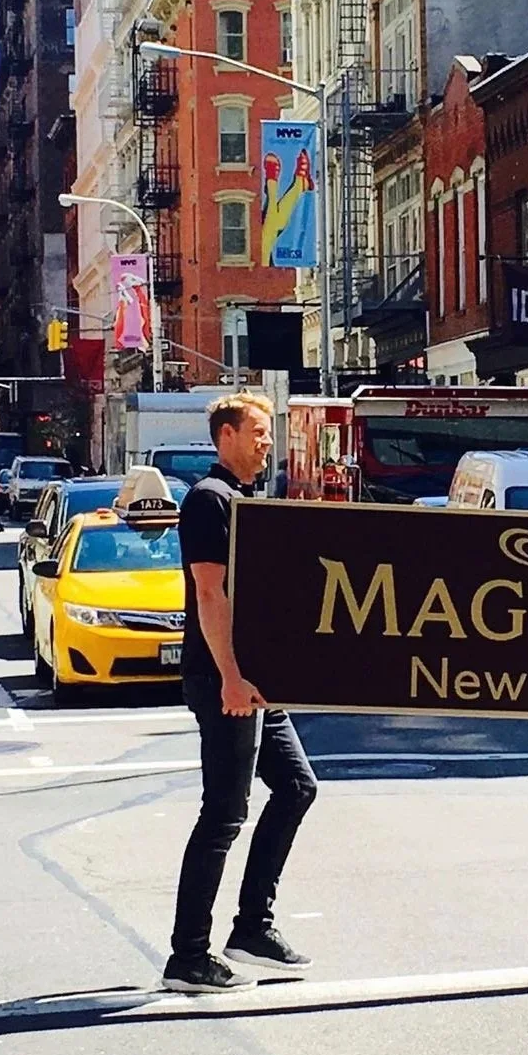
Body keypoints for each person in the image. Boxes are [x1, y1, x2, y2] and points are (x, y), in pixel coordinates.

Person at [164, 392, 317, 994]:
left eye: (269, 431)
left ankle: (253, 926)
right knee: (223, 812)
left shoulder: (244, 501)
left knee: (298, 787)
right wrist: (230, 675)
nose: (267, 441)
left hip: (255, 682)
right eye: (257, 430)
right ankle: (188, 955)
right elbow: (210, 593)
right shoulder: (209, 501)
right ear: (225, 436)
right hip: (224, 679)